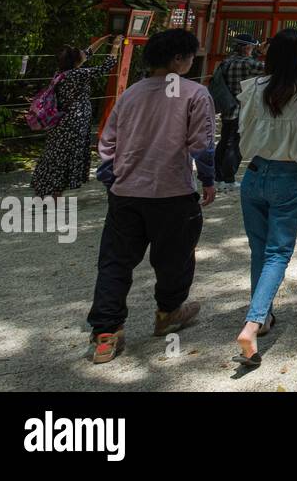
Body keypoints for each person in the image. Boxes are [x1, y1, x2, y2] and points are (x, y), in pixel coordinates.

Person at [86, 29, 216, 364]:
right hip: (172, 190)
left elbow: (108, 142)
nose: (192, 61)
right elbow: (201, 144)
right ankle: (168, 312)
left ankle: (106, 332)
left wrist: (113, 177)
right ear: (178, 59)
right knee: (175, 258)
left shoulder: (131, 94)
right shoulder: (194, 93)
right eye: (190, 56)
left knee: (115, 261)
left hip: (126, 192)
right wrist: (208, 179)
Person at [232, 28, 297, 367]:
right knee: (278, 252)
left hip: (253, 174)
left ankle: (263, 316)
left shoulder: (253, 89)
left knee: (259, 249)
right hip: (288, 175)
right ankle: (252, 324)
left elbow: (241, 128)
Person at [31, 35, 122, 198]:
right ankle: (54, 195)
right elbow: (106, 66)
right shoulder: (78, 74)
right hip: (74, 122)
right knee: (66, 158)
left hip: (60, 121)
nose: (84, 54)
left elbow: (87, 53)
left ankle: (44, 190)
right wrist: (115, 47)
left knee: (54, 154)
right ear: (76, 61)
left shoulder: (61, 73)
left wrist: (102, 41)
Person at [212, 34, 266, 193]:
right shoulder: (250, 64)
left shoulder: (227, 61)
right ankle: (228, 179)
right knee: (234, 145)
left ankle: (217, 177)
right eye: (252, 47)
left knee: (224, 143)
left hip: (227, 106)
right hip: (241, 109)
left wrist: (257, 52)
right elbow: (271, 69)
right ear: (247, 47)